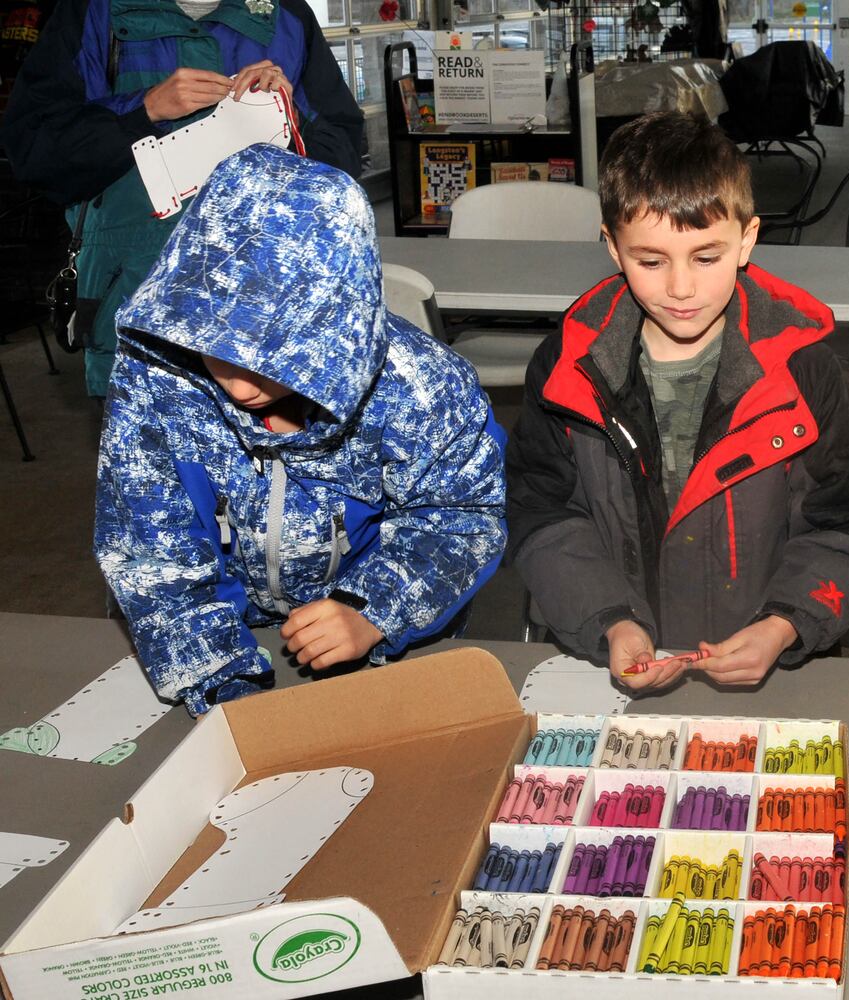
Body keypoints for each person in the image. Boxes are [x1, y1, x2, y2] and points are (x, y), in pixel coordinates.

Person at [94, 144, 506, 715]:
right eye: (217, 346)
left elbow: (462, 515)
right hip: (219, 629)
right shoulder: (158, 381)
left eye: (272, 357)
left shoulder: (424, 387)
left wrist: (375, 609)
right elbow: (149, 545)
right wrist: (218, 679)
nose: (239, 387)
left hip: (385, 637)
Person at [505, 111, 849, 690]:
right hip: (608, 664)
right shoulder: (566, 368)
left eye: (706, 257)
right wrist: (610, 622)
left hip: (774, 664)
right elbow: (540, 511)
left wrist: (787, 623)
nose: (681, 288)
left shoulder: (802, 370)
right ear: (612, 247)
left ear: (748, 240)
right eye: (650, 260)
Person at [1, 0, 364, 398]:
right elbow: (35, 151)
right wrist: (144, 110)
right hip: (139, 309)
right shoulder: (93, 12)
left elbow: (341, 166)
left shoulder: (286, 16)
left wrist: (288, 114)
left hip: (267, 308)